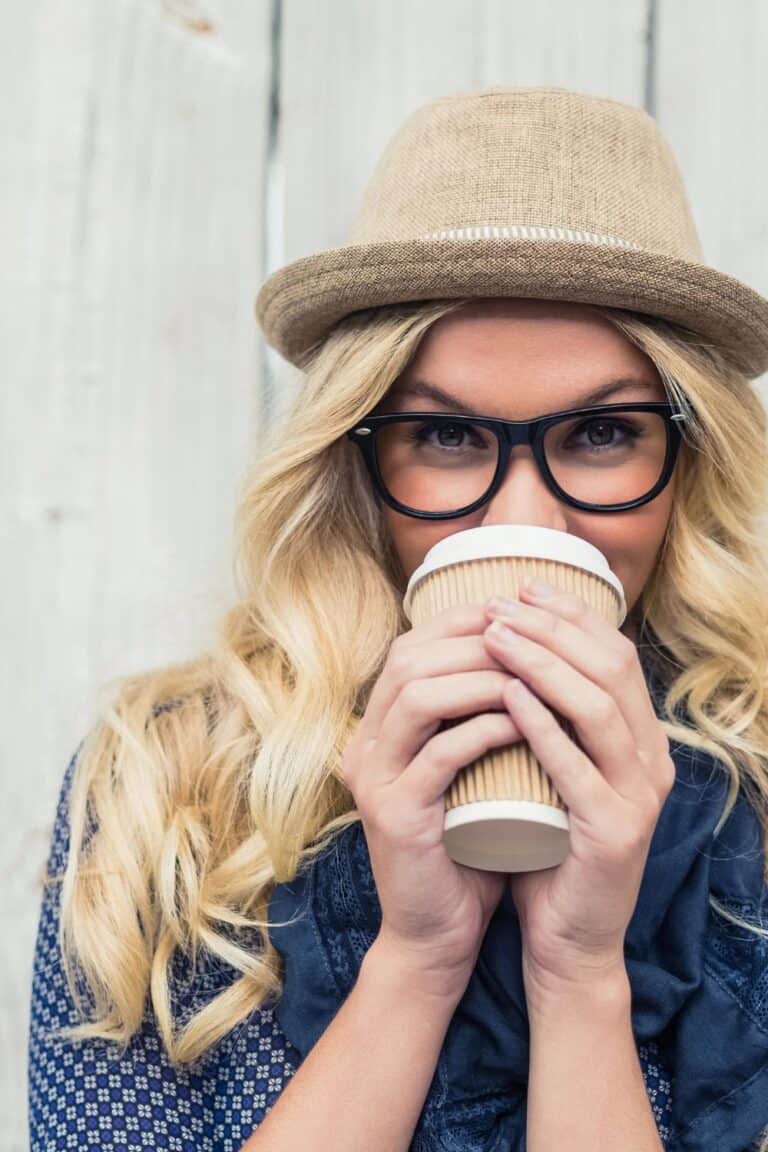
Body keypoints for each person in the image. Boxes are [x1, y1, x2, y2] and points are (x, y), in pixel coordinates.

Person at [28, 85, 768, 1152]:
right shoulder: (166, 789)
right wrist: (416, 961)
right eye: (448, 438)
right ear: (357, 463)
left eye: (603, 432)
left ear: (684, 460)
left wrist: (579, 975)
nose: (527, 517)